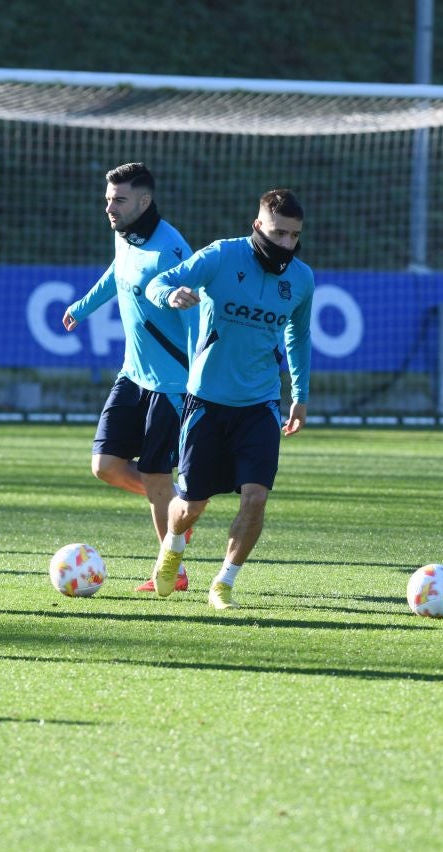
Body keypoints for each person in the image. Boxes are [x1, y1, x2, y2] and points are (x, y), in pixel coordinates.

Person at [144, 188, 314, 609]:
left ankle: (223, 582)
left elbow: (299, 335)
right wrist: (171, 296)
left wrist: (300, 395)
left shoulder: (302, 279)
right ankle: (173, 549)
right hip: (206, 401)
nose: (286, 244)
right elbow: (158, 283)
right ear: (258, 226)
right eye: (278, 233)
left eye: (294, 236)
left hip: (261, 405)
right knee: (190, 506)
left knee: (256, 497)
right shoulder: (221, 255)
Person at [63, 163, 194, 592]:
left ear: (144, 201)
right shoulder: (126, 234)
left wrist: (201, 374)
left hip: (171, 384)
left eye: (118, 200)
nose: (109, 207)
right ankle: (177, 505)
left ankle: (173, 573)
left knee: (156, 476)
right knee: (105, 466)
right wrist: (82, 305)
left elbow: (198, 313)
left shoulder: (171, 251)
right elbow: (118, 274)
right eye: (107, 199)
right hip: (132, 374)